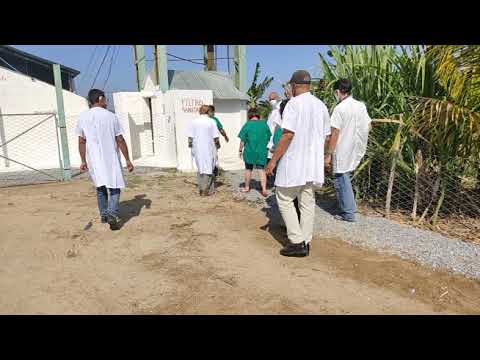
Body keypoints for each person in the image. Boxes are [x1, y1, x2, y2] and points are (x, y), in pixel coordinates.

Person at [266, 70, 331, 257]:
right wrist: (323, 156)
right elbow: (327, 136)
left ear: (294, 86)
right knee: (307, 203)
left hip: (295, 162)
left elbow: (288, 134)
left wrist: (273, 160)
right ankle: (306, 241)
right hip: (313, 164)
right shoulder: (321, 106)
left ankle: (296, 241)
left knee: (284, 198)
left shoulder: (294, 104)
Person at [76, 89, 134, 231]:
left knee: (100, 187)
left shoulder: (82, 117)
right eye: (105, 99)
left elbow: (81, 141)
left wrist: (83, 160)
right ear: (100, 99)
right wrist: (128, 160)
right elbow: (120, 139)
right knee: (114, 187)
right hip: (111, 159)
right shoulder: (111, 117)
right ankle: (112, 214)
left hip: (94, 160)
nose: (106, 102)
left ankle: (104, 215)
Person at [325, 78, 372, 222]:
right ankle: (345, 206)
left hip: (342, 148)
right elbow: (369, 125)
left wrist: (328, 154)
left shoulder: (340, 108)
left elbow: (335, 132)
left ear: (338, 92)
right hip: (356, 147)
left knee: (342, 179)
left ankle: (348, 212)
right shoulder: (360, 106)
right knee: (346, 178)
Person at [187, 105, 221, 196]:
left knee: (200, 168)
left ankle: (201, 189)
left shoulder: (194, 121)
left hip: (197, 148)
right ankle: (207, 190)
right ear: (208, 112)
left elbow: (190, 137)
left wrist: (191, 147)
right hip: (209, 148)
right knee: (209, 168)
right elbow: (215, 137)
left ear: (200, 112)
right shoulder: (211, 121)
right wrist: (218, 146)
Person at [238, 110, 272, 197]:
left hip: (249, 151)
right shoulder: (264, 124)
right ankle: (264, 189)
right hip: (261, 151)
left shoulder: (247, 124)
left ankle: (246, 187)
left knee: (248, 169)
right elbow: (268, 137)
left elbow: (243, 140)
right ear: (258, 115)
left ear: (249, 116)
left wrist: (240, 150)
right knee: (261, 170)